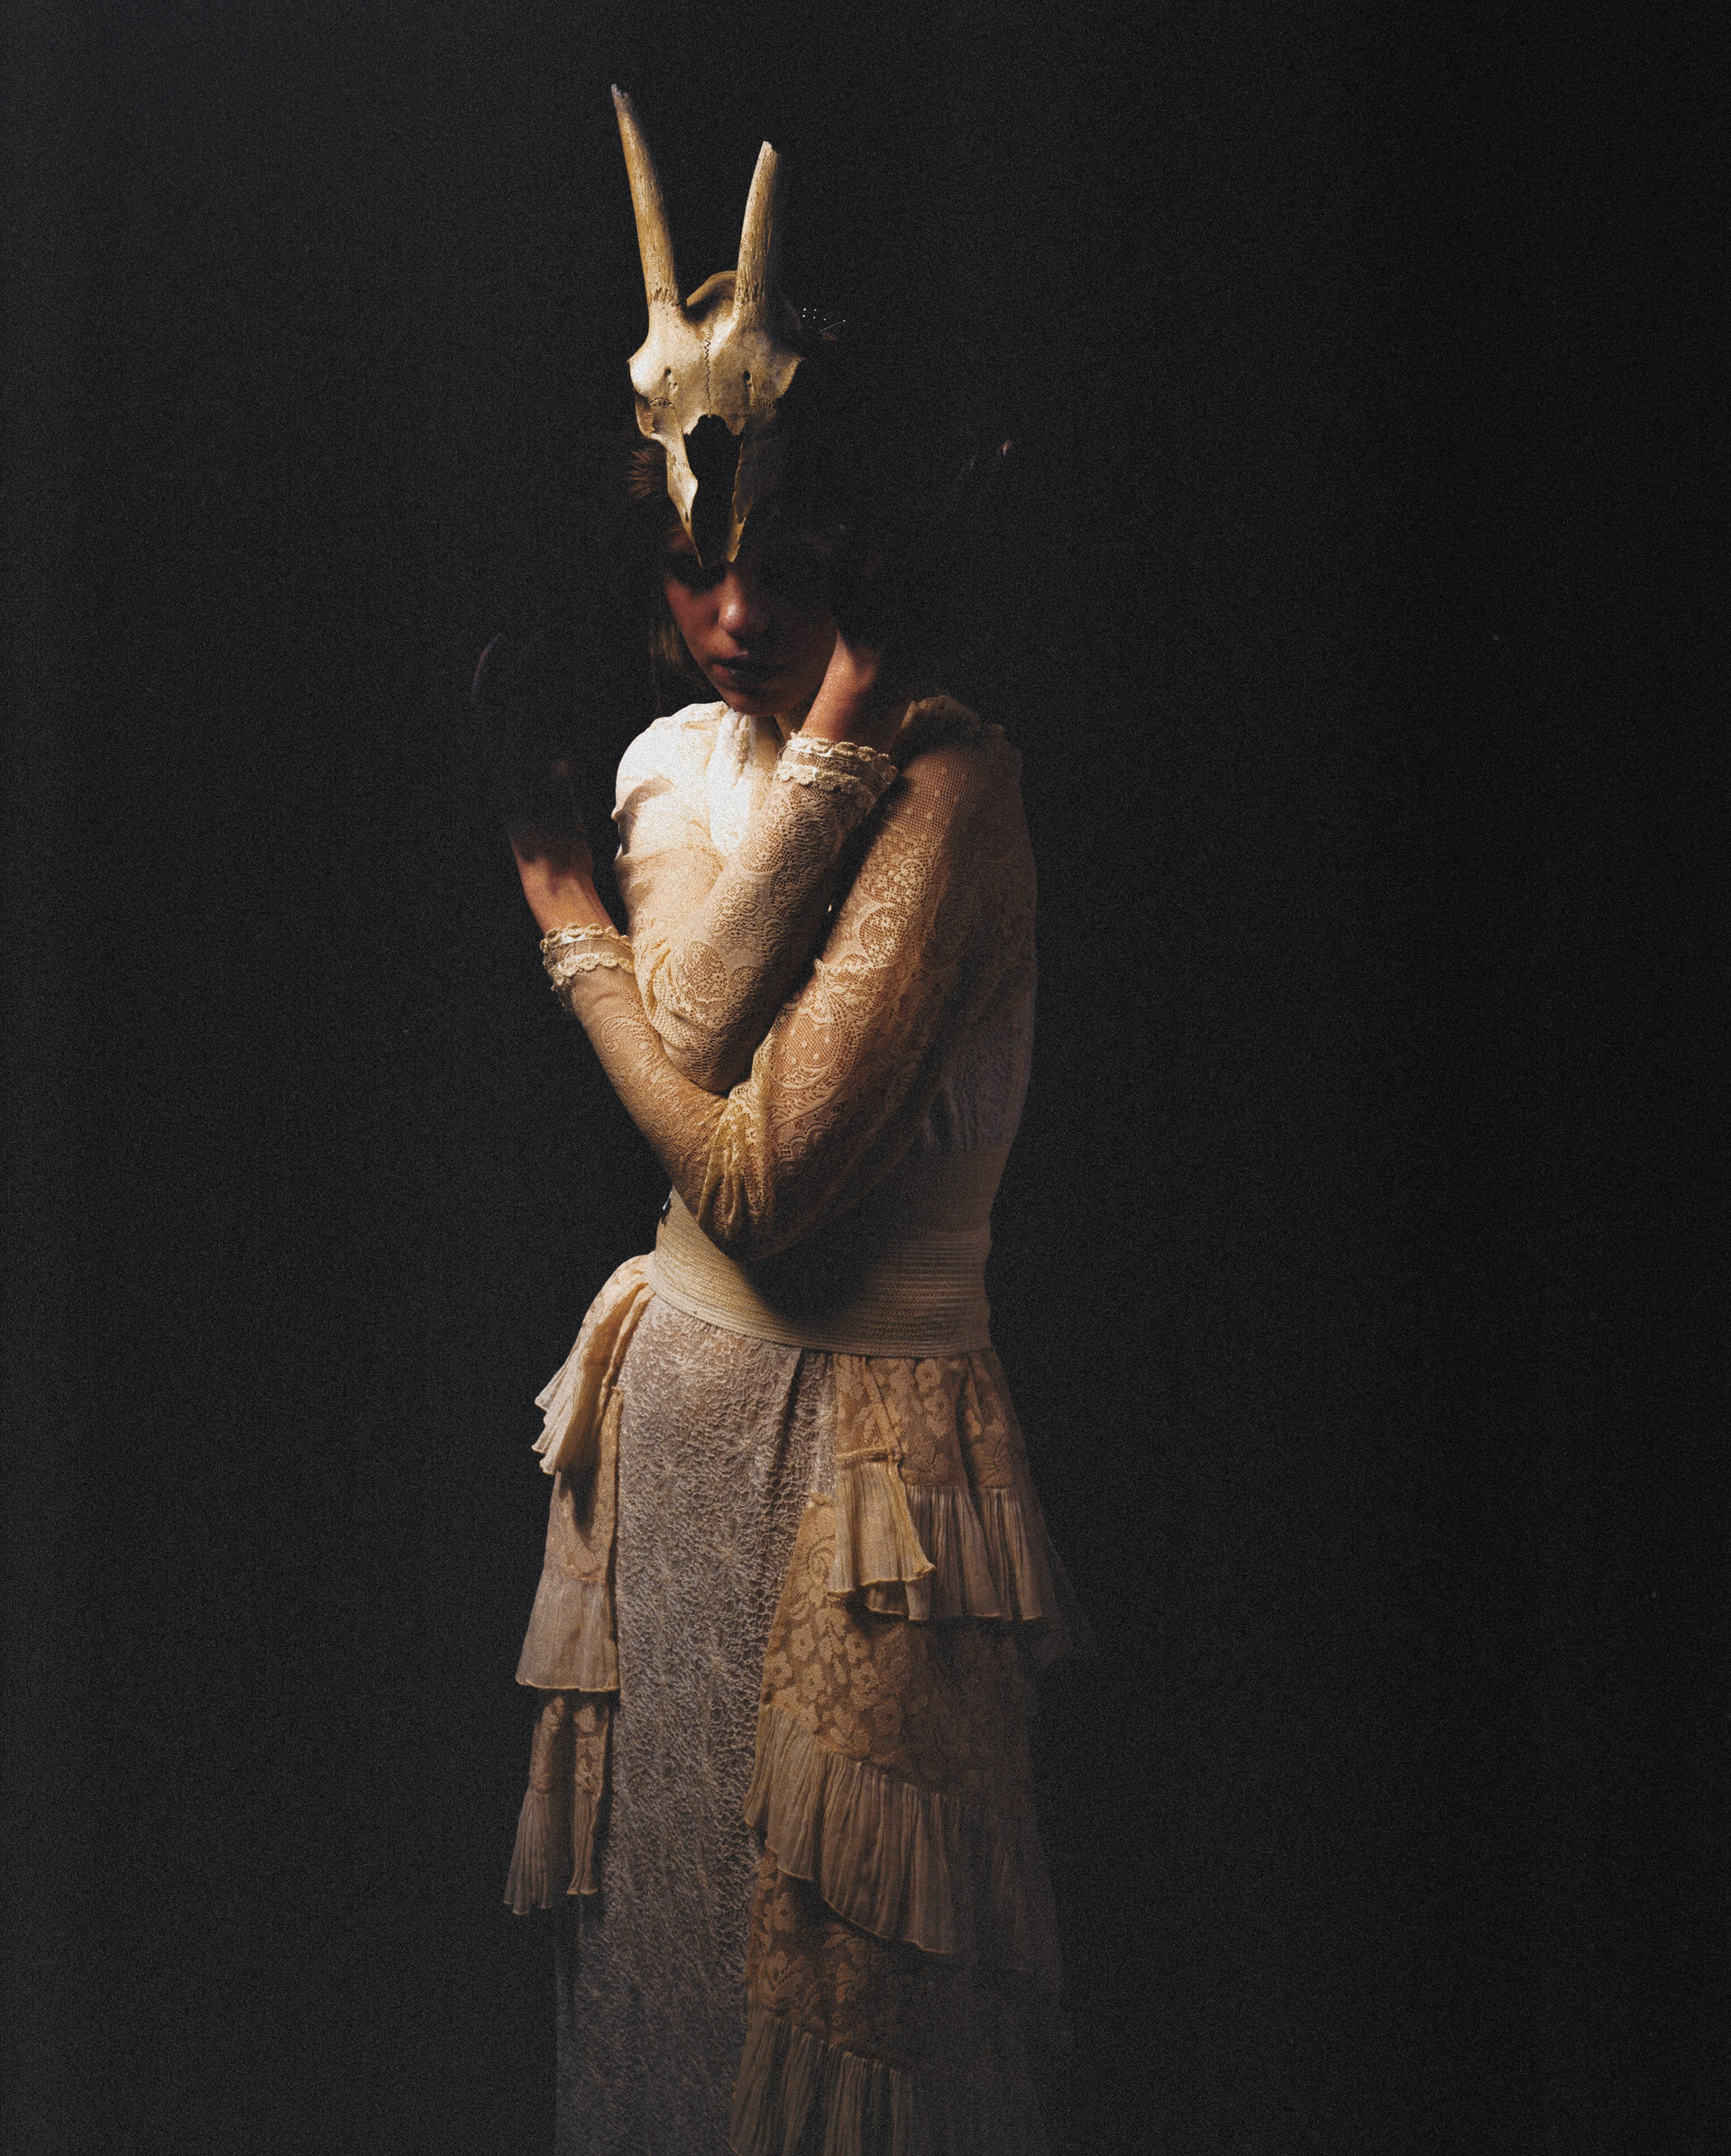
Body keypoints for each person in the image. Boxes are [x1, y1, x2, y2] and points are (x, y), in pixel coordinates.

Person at [482, 88, 1080, 2155]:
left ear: (864, 554)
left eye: (781, 567)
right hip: (671, 1430)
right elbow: (702, 1021)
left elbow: (748, 1172)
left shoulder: (956, 793)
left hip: (860, 1475)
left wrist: (566, 926)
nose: (731, 616)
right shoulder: (669, 760)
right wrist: (782, 768)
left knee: (837, 2018)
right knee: (654, 1991)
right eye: (690, 569)